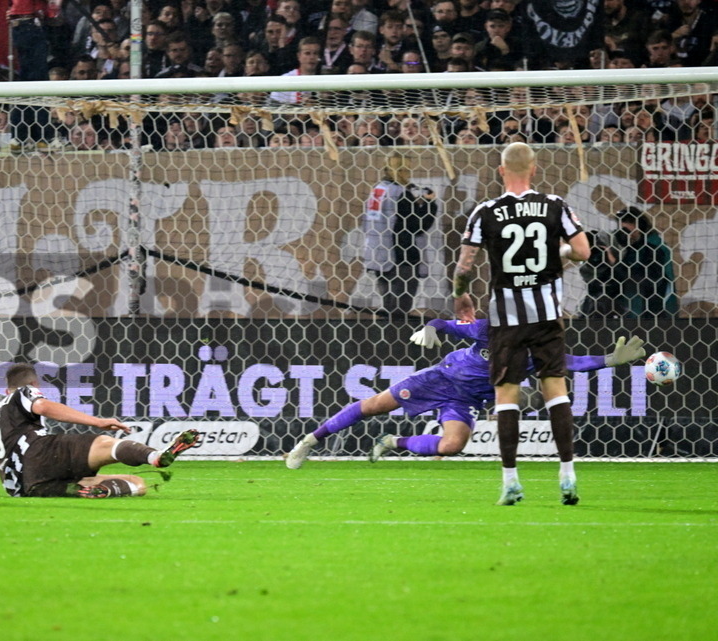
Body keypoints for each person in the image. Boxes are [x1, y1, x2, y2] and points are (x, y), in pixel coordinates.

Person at [286, 320, 645, 468]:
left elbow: (577, 362)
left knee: (452, 445)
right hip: (440, 379)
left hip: (467, 400)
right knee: (375, 404)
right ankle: (311, 440)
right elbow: (445, 324)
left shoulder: (538, 355)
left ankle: (393, 442)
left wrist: (611, 359)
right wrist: (429, 327)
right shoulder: (491, 329)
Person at [452, 142, 590, 506]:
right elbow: (583, 251)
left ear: (501, 171)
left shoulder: (486, 211)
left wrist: (461, 295)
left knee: (506, 395)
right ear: (534, 169)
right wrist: (557, 253)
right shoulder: (554, 206)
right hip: (546, 314)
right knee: (555, 389)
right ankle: (567, 476)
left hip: (506, 318)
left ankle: (511, 481)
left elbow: (465, 267)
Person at [0, 363, 201, 498]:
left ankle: (93, 489)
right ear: (33, 384)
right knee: (103, 444)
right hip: (38, 454)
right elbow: (42, 406)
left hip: (26, 488)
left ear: (4, 389)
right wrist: (97, 421)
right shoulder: (25, 393)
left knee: (137, 484)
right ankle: (155, 457)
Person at [362, 153, 439, 317]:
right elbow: (417, 226)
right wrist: (429, 203)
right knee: (400, 310)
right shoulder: (400, 194)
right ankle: (398, 341)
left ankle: (387, 340)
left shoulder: (378, 189)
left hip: (379, 255)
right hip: (400, 255)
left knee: (388, 305)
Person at [614, 206, 679, 317]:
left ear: (638, 226)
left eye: (625, 229)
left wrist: (615, 264)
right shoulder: (630, 247)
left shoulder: (654, 247)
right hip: (633, 312)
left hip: (653, 313)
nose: (623, 235)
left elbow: (648, 280)